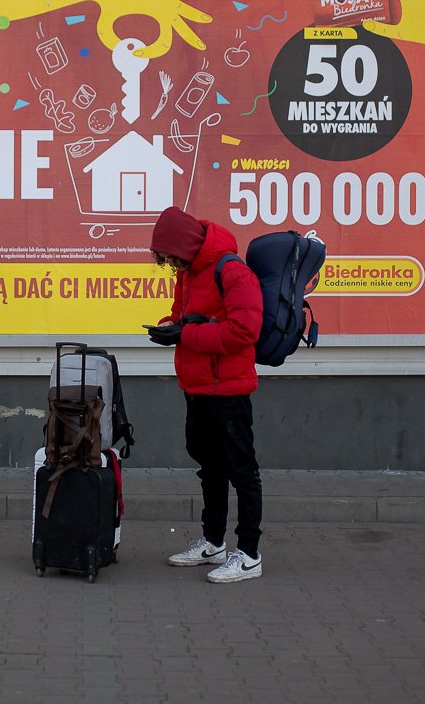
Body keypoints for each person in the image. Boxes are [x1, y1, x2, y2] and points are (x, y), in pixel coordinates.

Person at [146, 205, 265, 583]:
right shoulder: (189, 273)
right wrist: (169, 328)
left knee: (242, 470)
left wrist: (186, 334)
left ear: (184, 246)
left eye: (169, 257)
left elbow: (243, 333)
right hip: (196, 387)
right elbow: (182, 316)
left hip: (228, 390)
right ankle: (213, 542)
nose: (169, 265)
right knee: (209, 467)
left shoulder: (232, 270)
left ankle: (249, 553)